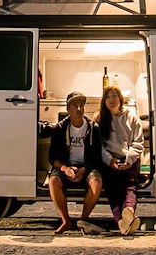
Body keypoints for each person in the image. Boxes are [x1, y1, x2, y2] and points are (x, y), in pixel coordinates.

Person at [48, 91, 104, 235]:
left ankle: (83, 221)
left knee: (96, 182)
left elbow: (97, 157)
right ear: (68, 109)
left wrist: (84, 170)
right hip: (66, 166)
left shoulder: (93, 128)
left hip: (86, 167)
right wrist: (65, 168)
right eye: (75, 106)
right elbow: (52, 157)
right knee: (53, 181)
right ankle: (66, 221)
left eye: (81, 105)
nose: (79, 109)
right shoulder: (60, 128)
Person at [96, 85, 144, 235]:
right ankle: (123, 221)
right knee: (113, 190)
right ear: (104, 101)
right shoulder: (99, 119)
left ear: (120, 99)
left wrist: (129, 160)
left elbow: (138, 142)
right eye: (108, 96)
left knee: (130, 185)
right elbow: (99, 147)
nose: (112, 99)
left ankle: (128, 212)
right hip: (109, 161)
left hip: (129, 159)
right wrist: (110, 161)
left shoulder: (132, 117)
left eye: (114, 96)